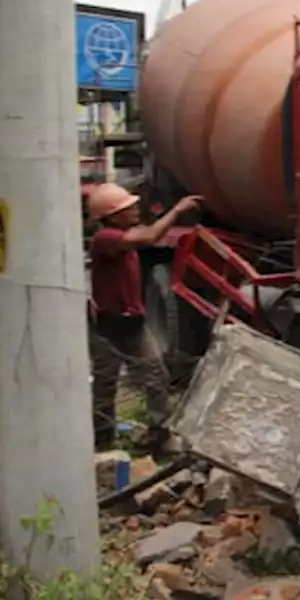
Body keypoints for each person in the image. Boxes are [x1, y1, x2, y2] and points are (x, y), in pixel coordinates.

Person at [86, 182, 203, 453]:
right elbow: (150, 237)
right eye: (129, 208)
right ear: (113, 216)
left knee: (156, 374)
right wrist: (177, 211)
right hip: (109, 326)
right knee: (105, 381)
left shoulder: (122, 235)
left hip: (132, 323)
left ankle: (158, 434)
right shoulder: (106, 239)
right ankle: (102, 440)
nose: (136, 209)